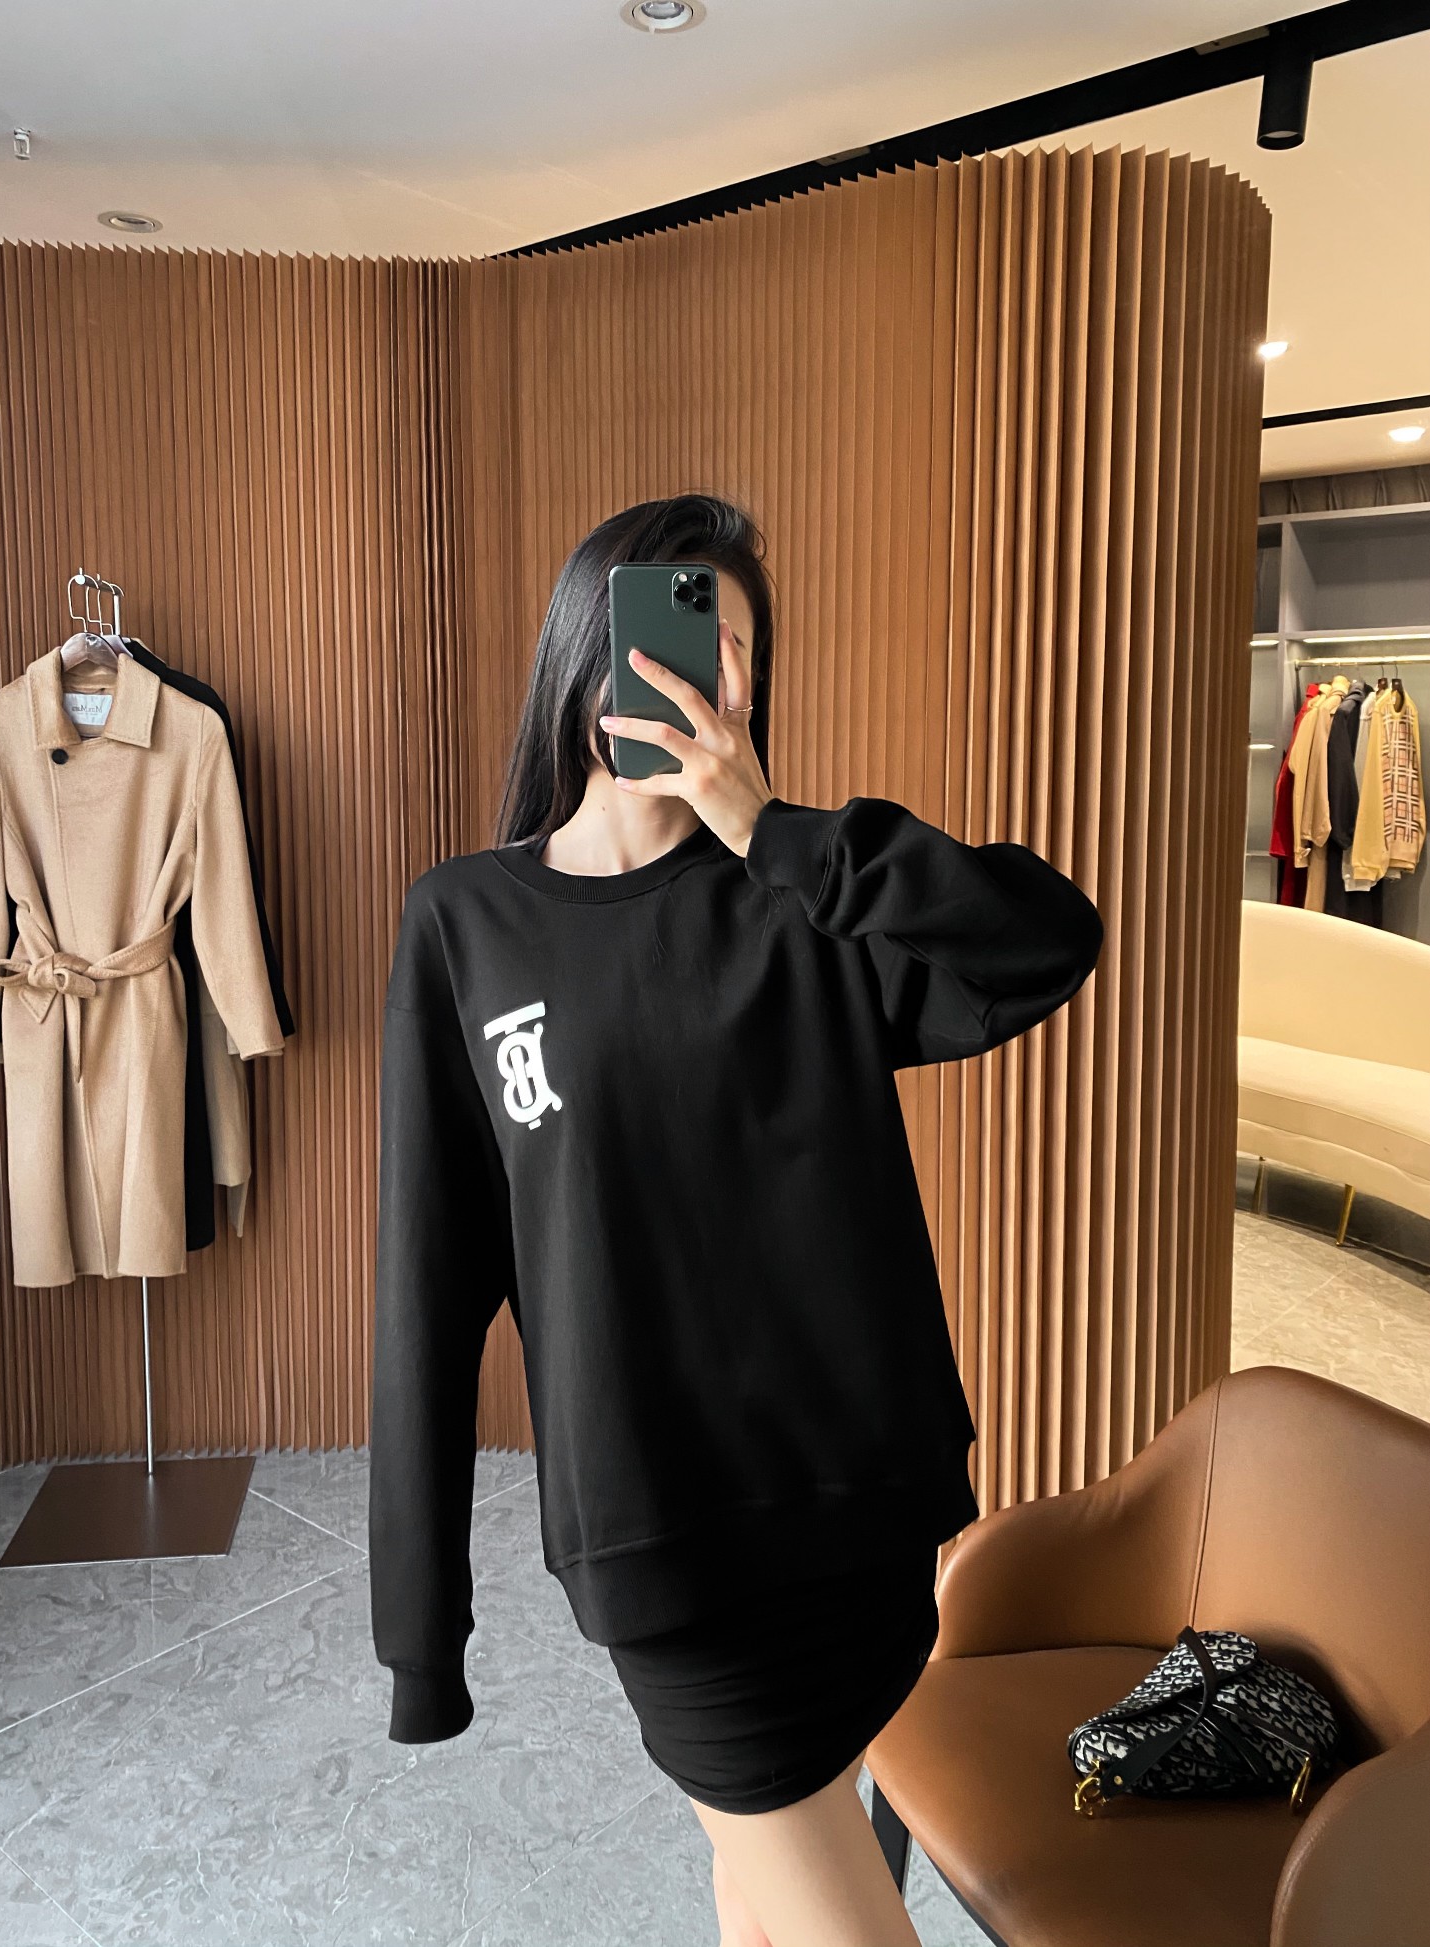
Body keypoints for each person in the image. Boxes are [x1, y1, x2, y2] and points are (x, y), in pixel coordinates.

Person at [368, 492, 1104, 1947]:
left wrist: (773, 832)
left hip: (867, 1518)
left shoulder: (802, 900)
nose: (708, 671)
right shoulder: (465, 925)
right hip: (663, 1547)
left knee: (760, 1891)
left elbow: (1046, 940)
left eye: (736, 647)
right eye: (673, 629)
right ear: (586, 650)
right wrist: (421, 1638)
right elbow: (426, 1294)